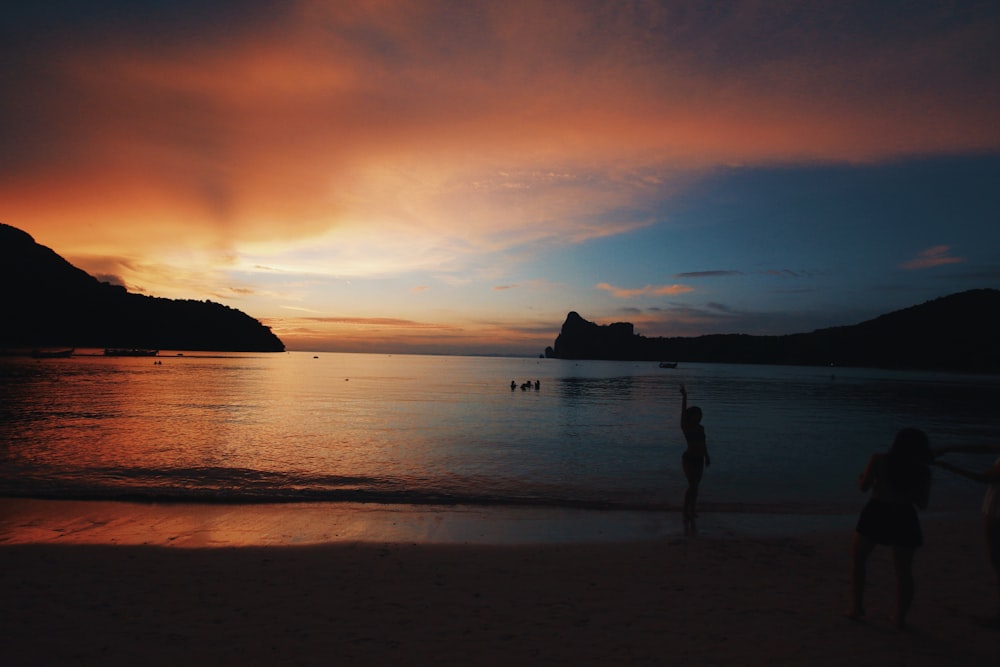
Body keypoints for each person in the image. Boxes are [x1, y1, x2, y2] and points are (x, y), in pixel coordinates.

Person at [848, 428, 932, 629]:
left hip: (877, 512)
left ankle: (857, 607)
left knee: (858, 560)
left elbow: (863, 487)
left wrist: (863, 478)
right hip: (904, 516)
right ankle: (899, 617)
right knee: (904, 571)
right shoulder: (922, 471)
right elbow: (922, 503)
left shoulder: (879, 460)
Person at [932, 445, 1000, 623]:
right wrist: (949, 449)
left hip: (996, 511)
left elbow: (984, 478)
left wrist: (948, 466)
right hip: (994, 509)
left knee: (997, 561)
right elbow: (983, 450)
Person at [679, 384, 710, 528]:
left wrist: (707, 456)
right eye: (698, 414)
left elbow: (704, 443)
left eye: (701, 414)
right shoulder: (686, 426)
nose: (700, 416)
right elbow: (683, 413)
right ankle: (685, 511)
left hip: (700, 459)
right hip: (689, 459)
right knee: (692, 485)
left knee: (696, 487)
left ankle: (692, 510)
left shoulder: (701, 428)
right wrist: (685, 396)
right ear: (692, 416)